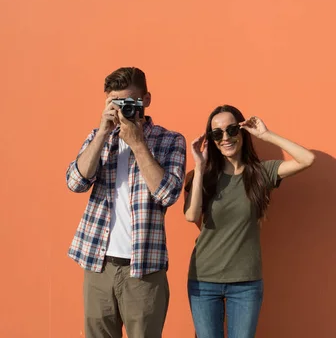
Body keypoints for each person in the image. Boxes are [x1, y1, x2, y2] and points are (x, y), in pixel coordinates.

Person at [65, 67, 187, 338]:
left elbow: (168, 194)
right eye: (117, 102)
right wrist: (101, 134)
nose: (124, 108)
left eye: (131, 101)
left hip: (144, 269)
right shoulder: (99, 137)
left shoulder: (170, 140)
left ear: (147, 99)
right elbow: (75, 182)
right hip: (98, 264)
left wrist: (138, 144)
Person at [184, 104, 315, 338]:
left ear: (242, 131)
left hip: (245, 282)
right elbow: (192, 216)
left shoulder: (260, 173)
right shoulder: (202, 177)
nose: (225, 137)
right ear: (211, 139)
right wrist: (199, 167)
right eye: (217, 133)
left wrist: (266, 135)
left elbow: (307, 159)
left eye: (232, 129)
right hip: (204, 279)